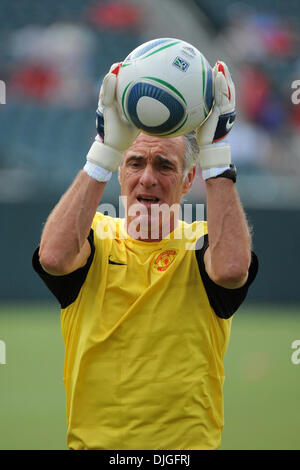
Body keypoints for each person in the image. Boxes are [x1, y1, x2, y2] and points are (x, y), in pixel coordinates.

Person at [32, 61, 258, 450]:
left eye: (164, 165)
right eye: (134, 162)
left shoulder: (204, 242)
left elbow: (233, 269)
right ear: (121, 172)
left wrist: (216, 153)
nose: (147, 178)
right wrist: (104, 151)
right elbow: (52, 258)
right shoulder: (95, 238)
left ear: (189, 180)